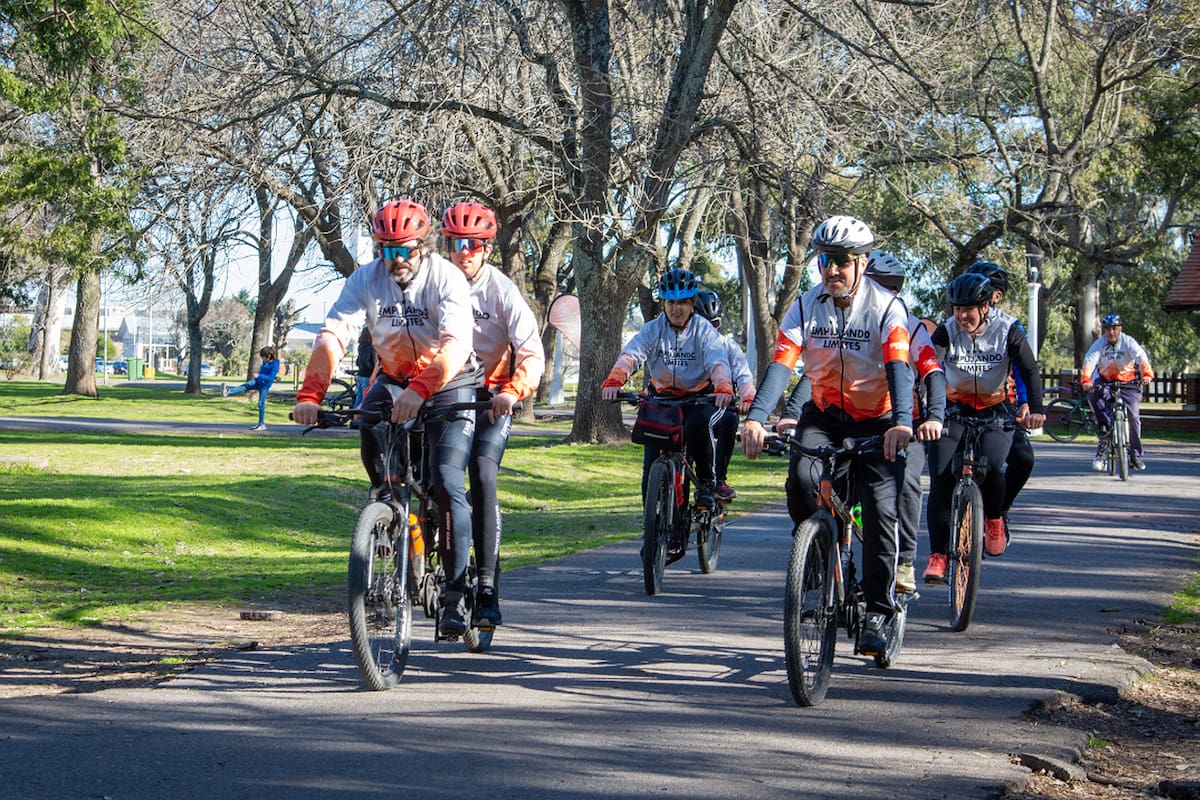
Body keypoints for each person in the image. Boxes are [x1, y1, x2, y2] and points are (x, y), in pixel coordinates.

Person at [291, 199, 483, 637]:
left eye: (405, 250)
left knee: (447, 481)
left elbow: (454, 344)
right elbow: (333, 333)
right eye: (386, 250)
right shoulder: (366, 279)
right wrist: (311, 392)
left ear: (426, 245)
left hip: (451, 381)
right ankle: (387, 515)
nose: (396, 260)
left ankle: (455, 595)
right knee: (373, 433)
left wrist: (421, 390)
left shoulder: (446, 278)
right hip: (394, 376)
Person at [741, 215, 914, 657]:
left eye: (841, 261)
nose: (832, 270)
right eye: (825, 261)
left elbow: (898, 366)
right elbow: (782, 364)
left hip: (877, 418)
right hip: (825, 414)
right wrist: (758, 418)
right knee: (802, 478)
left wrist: (902, 421)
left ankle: (878, 610)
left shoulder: (887, 307)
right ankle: (815, 553)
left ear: (861, 262)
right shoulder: (805, 305)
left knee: (879, 511)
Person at [441, 200, 546, 626]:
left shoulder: (501, 291)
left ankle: (485, 585)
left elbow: (532, 352)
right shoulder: (433, 284)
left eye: (471, 244)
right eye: (453, 243)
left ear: (486, 247)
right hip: (445, 391)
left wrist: (514, 390)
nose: (461, 252)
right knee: (431, 472)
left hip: (490, 397)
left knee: (482, 474)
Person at [923, 273, 1044, 583]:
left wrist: (1036, 409)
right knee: (940, 477)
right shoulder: (946, 332)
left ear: (986, 306)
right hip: (953, 409)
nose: (963, 316)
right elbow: (929, 369)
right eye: (957, 308)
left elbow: (1029, 370)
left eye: (970, 309)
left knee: (990, 467)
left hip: (995, 409)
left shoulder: (1008, 329)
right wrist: (927, 411)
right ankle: (938, 555)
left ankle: (993, 519)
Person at [601, 268, 733, 515]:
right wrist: (614, 380)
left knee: (698, 426)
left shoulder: (703, 330)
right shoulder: (653, 329)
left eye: (682, 302)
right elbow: (632, 355)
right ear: (664, 303)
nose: (676, 309)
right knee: (650, 468)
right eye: (671, 302)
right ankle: (652, 531)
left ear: (692, 303)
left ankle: (706, 483)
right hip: (660, 401)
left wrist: (724, 385)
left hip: (696, 398)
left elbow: (717, 361)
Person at [863, 251, 945, 594]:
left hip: (905, 425)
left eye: (890, 289)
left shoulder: (910, 327)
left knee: (909, 483)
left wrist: (935, 416)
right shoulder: (841, 325)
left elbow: (932, 373)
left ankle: (906, 560)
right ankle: (825, 551)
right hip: (859, 425)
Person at [965, 260, 1035, 535]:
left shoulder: (1009, 327)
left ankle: (1000, 509)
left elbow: (1023, 369)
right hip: (959, 403)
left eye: (989, 289)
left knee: (1023, 458)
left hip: (1000, 403)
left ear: (997, 295)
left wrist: (1026, 403)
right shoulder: (958, 322)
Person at [693, 289, 755, 501]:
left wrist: (747, 397)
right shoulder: (682, 344)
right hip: (685, 405)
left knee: (729, 419)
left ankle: (718, 479)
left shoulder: (728, 347)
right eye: (702, 323)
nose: (710, 329)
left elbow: (743, 375)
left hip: (717, 405)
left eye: (715, 323)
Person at [1081, 314, 1154, 472]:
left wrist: (1146, 374)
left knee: (1134, 416)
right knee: (1093, 395)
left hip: (1128, 383)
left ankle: (1135, 455)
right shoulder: (1099, 344)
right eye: (1107, 329)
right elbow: (1089, 361)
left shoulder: (1128, 342)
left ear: (1120, 329)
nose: (1111, 332)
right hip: (1106, 381)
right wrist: (1086, 379)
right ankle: (1105, 425)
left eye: (1114, 328)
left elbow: (1141, 357)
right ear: (1104, 330)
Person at [223, 346, 280, 431]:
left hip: (264, 386)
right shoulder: (265, 362)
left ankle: (261, 424)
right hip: (257, 381)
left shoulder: (275, 364)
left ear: (268, 356)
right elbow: (268, 374)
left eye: (263, 357)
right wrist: (263, 377)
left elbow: (270, 378)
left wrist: (261, 376)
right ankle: (228, 392)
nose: (262, 359)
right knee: (246, 385)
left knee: (261, 403)